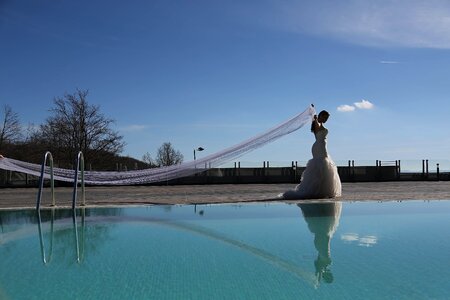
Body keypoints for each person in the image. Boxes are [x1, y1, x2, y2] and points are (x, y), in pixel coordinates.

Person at [280, 110, 341, 199]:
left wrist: (316, 117)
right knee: (322, 163)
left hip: (321, 146)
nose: (326, 119)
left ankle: (322, 189)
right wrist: (315, 117)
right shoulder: (317, 124)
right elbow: (317, 124)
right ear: (321, 116)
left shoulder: (319, 124)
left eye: (327, 118)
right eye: (325, 117)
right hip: (319, 146)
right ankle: (318, 190)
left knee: (323, 164)